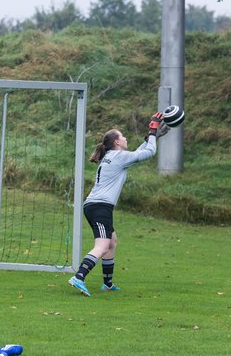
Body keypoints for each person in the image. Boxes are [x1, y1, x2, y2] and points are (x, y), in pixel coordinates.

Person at [68, 112, 169, 296]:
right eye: (123, 136)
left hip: (97, 206)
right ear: (117, 142)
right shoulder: (117, 156)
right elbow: (149, 153)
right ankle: (79, 277)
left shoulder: (114, 156)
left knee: (112, 242)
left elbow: (138, 153)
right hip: (99, 207)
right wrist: (153, 130)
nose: (126, 138)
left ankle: (107, 284)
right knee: (102, 245)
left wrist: (152, 137)